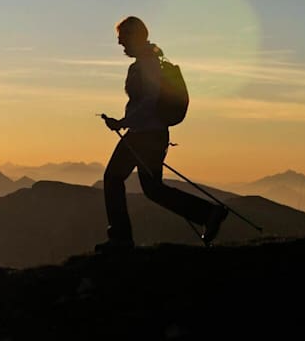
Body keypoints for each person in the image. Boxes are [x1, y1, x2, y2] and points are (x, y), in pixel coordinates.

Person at [97, 16, 228, 252]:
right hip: (151, 134)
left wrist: (123, 122)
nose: (120, 44)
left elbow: (149, 102)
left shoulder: (146, 65)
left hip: (144, 135)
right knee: (152, 189)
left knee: (113, 178)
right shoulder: (148, 62)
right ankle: (209, 213)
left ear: (133, 37)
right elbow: (147, 102)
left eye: (122, 38)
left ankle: (121, 239)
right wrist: (124, 122)